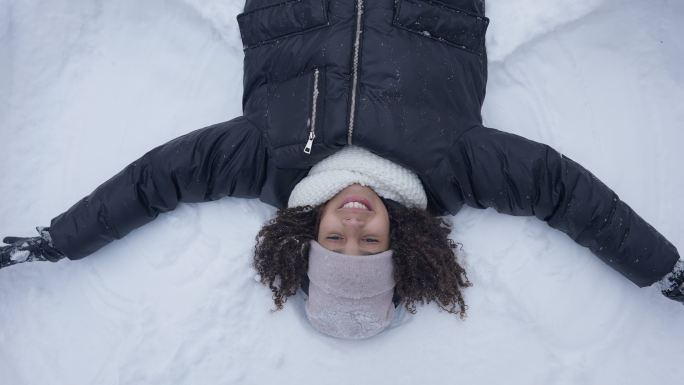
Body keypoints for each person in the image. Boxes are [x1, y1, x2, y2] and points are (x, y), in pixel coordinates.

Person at [1, 0, 682, 338]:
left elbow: (154, 181)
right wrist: (661, 267)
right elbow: (565, 193)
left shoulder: (264, 158)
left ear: (307, 235)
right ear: (400, 240)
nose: (354, 224)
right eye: (369, 242)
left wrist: (59, 241)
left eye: (335, 241)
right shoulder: (453, 170)